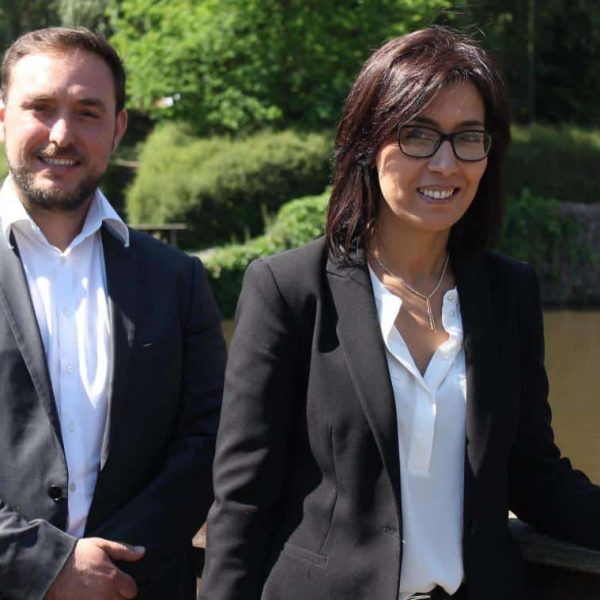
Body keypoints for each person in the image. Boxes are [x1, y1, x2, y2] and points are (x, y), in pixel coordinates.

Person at [200, 27, 600, 600]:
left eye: (468, 137)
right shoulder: (288, 289)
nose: (445, 163)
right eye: (417, 134)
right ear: (366, 144)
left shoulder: (509, 292)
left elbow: (534, 474)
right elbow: (243, 497)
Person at [0, 27, 226, 600]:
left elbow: (208, 441)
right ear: (3, 115)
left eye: (88, 112)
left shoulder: (177, 279)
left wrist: (110, 567)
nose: (61, 134)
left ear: (119, 128)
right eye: (41, 107)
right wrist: (47, 566)